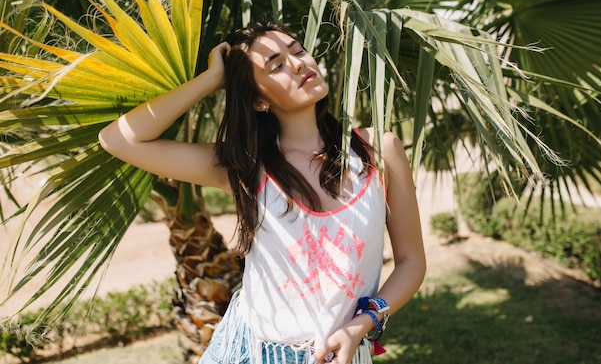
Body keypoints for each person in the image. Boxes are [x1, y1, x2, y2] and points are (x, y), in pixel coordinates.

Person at [99, 21, 426, 364]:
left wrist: (364, 321)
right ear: (258, 100)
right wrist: (212, 80)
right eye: (277, 65)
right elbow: (118, 140)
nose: (299, 63)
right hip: (250, 352)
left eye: (298, 50)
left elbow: (411, 262)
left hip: (341, 353)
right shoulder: (245, 166)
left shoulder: (378, 151)